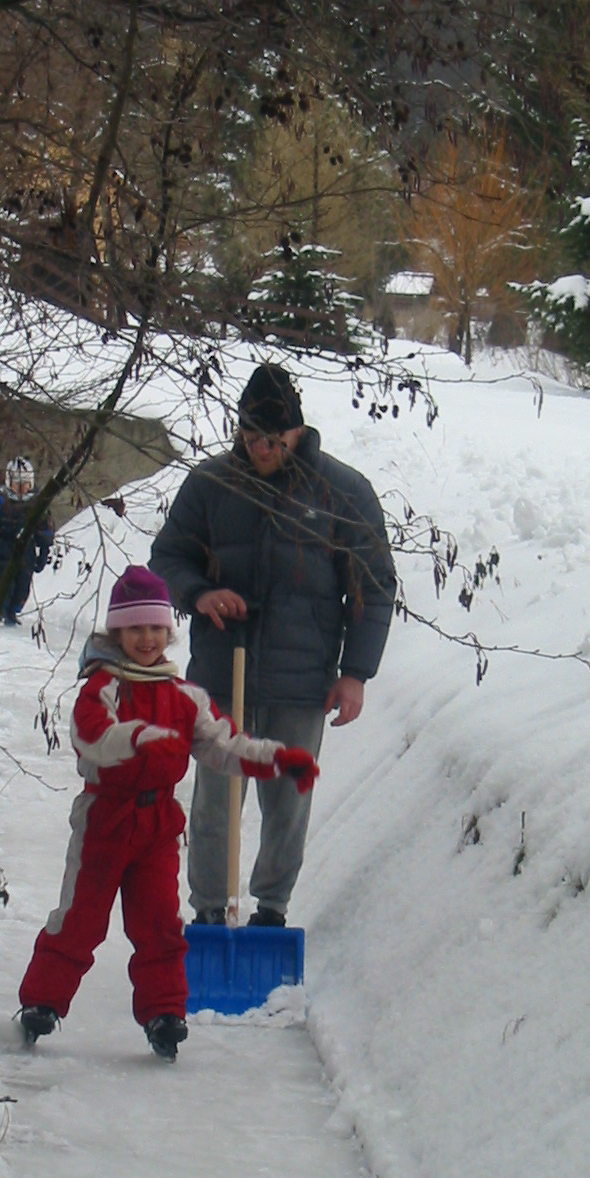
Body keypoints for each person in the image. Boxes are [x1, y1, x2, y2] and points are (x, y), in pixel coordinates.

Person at [17, 565, 319, 1060]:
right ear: (117, 632)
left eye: (156, 628)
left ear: (168, 632)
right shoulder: (104, 686)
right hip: (104, 821)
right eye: (136, 628)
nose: (147, 638)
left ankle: (164, 1013)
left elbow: (224, 745)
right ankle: (42, 1003)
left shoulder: (183, 696)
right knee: (80, 919)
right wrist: (134, 738)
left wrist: (277, 759)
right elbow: (90, 736)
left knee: (159, 923)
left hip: (157, 827)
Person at [149, 362, 395, 927]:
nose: (260, 448)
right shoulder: (210, 484)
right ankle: (209, 911)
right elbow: (167, 558)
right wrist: (201, 594)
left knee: (288, 798)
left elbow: (373, 585)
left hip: (301, 679)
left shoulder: (342, 491)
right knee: (215, 799)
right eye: (250, 436)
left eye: (273, 438)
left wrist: (355, 672)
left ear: (297, 432)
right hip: (219, 674)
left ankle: (271, 910)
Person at [0, 455, 54, 623]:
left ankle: (13, 611)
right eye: (18, 485)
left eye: (25, 485)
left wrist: (43, 553)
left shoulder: (36, 504)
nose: (22, 489)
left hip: (26, 553)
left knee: (22, 589)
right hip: (1, 552)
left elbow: (45, 531)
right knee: (2, 585)